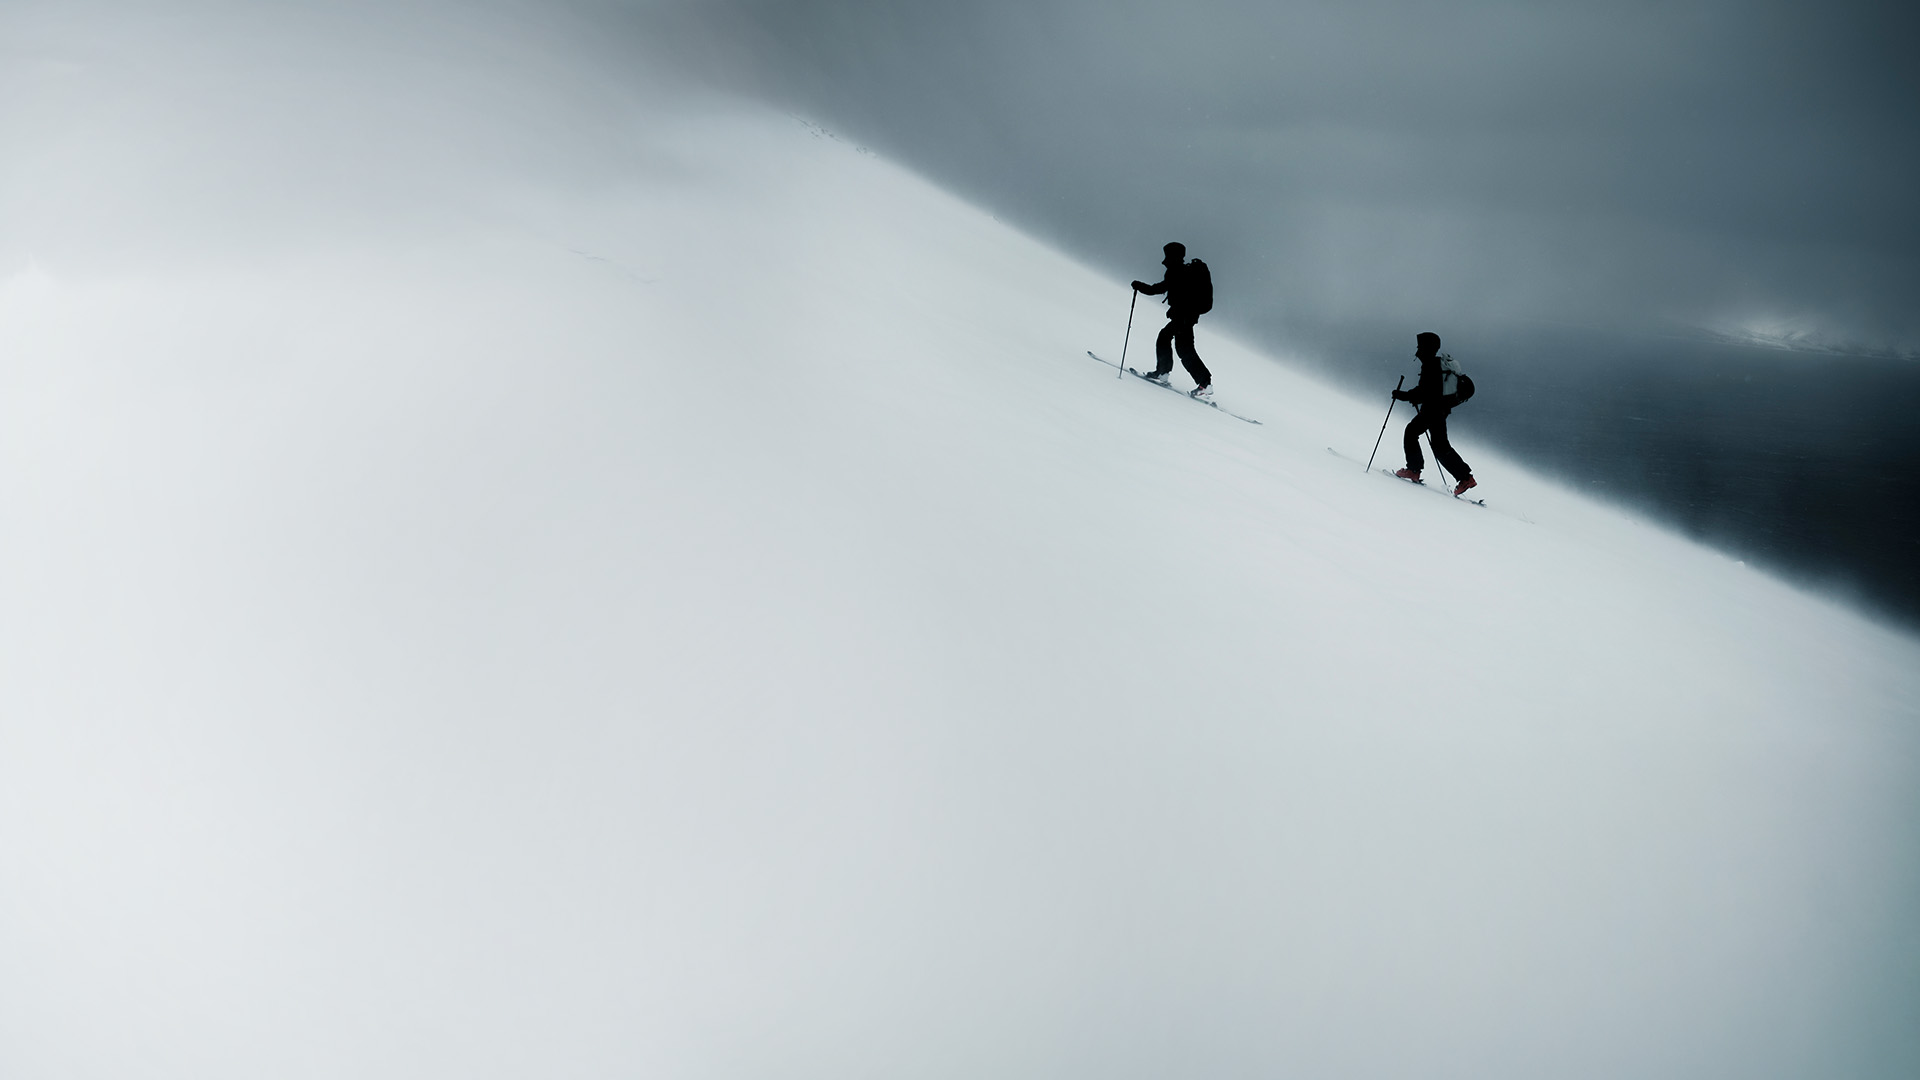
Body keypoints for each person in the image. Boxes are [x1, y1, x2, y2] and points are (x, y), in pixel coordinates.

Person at [1392, 331, 1477, 495]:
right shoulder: (1437, 364)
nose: (1418, 350)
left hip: (1433, 410)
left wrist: (1402, 395)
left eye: (1420, 346)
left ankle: (1414, 470)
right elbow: (1429, 391)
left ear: (1427, 347)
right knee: (1439, 444)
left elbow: (1424, 391)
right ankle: (1465, 478)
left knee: (1413, 432)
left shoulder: (1431, 365)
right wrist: (1412, 397)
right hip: (1439, 409)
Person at [1131, 242, 1213, 400]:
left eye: (1167, 254)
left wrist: (1139, 286)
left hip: (1183, 317)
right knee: (1175, 343)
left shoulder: (1176, 271)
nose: (1165, 257)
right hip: (1185, 316)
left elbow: (1158, 289)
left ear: (1173, 255)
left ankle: (1203, 382)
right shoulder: (1184, 271)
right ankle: (1167, 373)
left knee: (1181, 347)